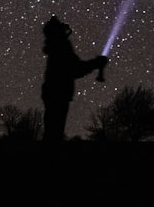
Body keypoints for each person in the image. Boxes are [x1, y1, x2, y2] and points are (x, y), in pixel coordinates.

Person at [40, 15, 108, 143]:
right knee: (54, 133)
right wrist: (96, 63)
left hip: (52, 93)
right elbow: (74, 69)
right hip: (58, 94)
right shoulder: (61, 46)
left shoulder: (56, 46)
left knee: (51, 131)